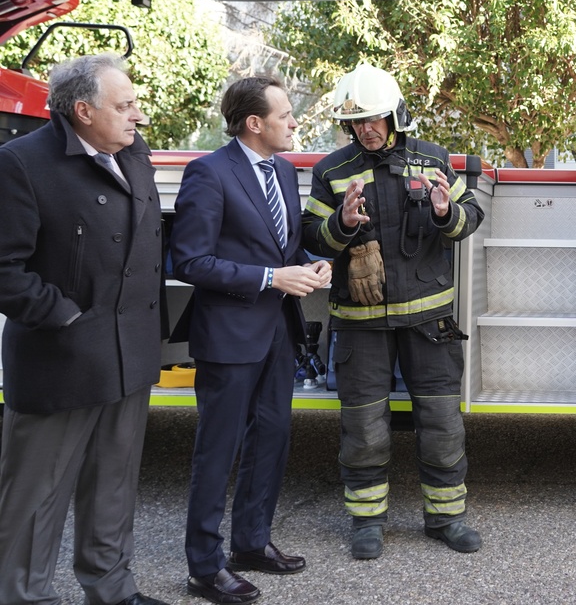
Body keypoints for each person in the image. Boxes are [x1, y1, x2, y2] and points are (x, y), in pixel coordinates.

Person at [0, 54, 169, 605]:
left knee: (113, 488)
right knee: (35, 497)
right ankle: (24, 596)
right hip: (62, 360)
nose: (137, 116)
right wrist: (65, 317)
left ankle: (113, 590)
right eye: (124, 106)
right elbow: (5, 270)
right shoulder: (21, 163)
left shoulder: (134, 154)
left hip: (129, 358)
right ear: (82, 111)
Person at [302, 62, 484, 559]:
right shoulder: (332, 172)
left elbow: (471, 219)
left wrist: (447, 212)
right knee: (363, 427)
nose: (366, 129)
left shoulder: (433, 160)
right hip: (362, 325)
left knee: (442, 423)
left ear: (396, 115)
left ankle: (447, 517)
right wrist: (341, 222)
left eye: (375, 118)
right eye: (357, 121)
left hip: (429, 323)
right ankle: (366, 522)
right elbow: (311, 236)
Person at [170, 75, 331, 604]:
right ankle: (204, 567)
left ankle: (251, 545)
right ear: (253, 122)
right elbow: (191, 260)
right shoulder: (208, 172)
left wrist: (310, 265)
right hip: (229, 335)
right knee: (218, 451)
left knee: (272, 441)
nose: (294, 122)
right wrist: (270, 279)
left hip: (276, 333)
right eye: (285, 115)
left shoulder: (283, 172)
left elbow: (279, 248)